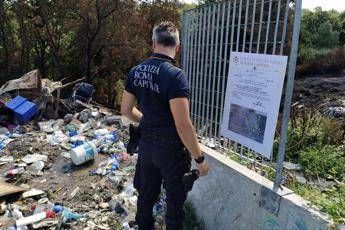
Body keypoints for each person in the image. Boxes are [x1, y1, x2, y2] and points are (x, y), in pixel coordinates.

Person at [121, 21, 209, 230]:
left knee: (145, 198)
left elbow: (125, 110)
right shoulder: (175, 76)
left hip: (147, 147)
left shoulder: (136, 71)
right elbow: (183, 125)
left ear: (153, 43)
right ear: (177, 48)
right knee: (174, 205)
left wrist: (147, 122)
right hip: (171, 152)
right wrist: (200, 159)